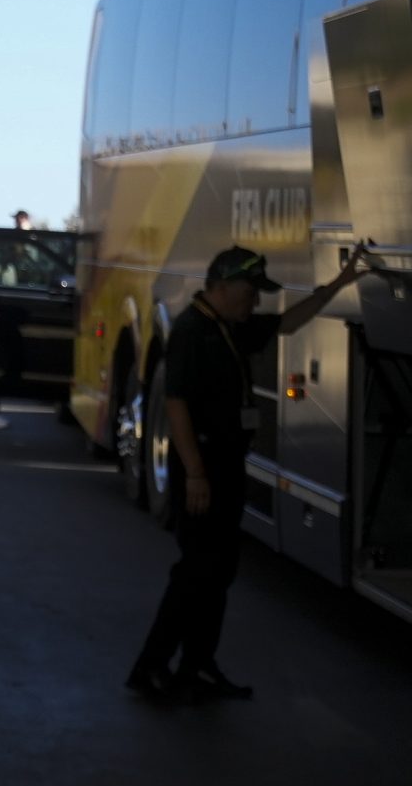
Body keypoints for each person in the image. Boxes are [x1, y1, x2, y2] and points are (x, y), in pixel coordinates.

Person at [127, 245, 365, 698]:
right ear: (221, 286)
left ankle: (197, 665)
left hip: (226, 465)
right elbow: (175, 403)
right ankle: (150, 667)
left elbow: (290, 321)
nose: (255, 301)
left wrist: (340, 284)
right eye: (250, 291)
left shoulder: (230, 328)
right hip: (202, 468)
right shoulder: (192, 332)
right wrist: (195, 474)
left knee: (218, 570)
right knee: (195, 571)